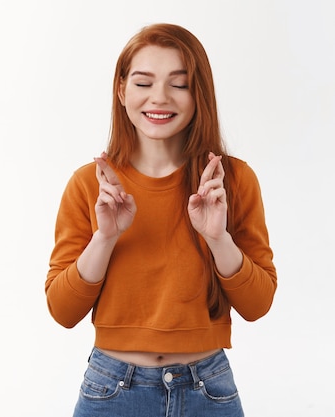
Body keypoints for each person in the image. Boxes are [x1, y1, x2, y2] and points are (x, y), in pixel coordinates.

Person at [45, 23, 277, 417]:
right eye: (143, 82)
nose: (159, 98)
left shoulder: (231, 182)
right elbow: (62, 311)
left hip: (209, 390)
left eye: (179, 83)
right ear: (121, 91)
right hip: (112, 390)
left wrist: (218, 237)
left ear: (198, 92)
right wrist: (104, 238)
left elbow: (258, 305)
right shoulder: (89, 184)